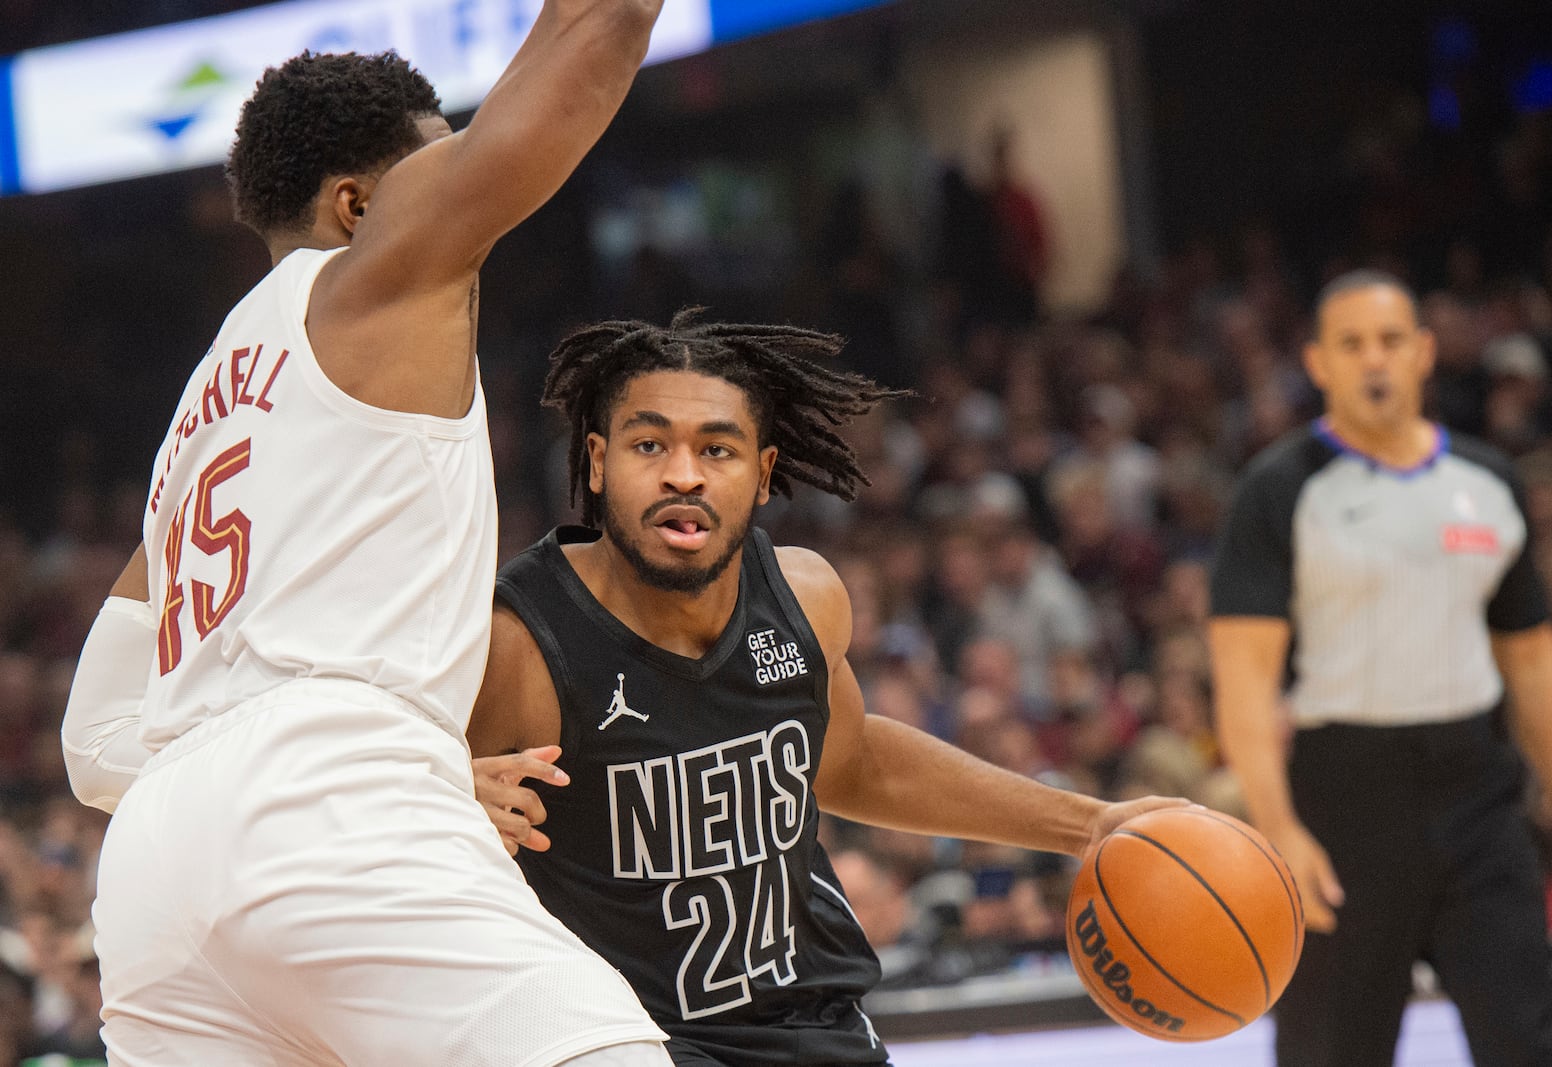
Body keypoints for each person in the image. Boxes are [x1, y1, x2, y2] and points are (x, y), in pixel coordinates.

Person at [58, 6, 676, 1064]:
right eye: (442, 164)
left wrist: (375, 766)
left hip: (156, 879)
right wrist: (346, 762)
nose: (466, 190)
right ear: (357, 204)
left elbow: (92, 743)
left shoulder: (200, 420)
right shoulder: (375, 277)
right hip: (328, 799)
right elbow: (601, 27)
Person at [466, 311, 1187, 1065]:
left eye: (718, 448)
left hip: (811, 1021)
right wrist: (448, 796)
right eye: (650, 445)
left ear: (765, 472)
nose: (684, 473)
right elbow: (398, 826)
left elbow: (853, 764)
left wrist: (1092, 824)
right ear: (599, 460)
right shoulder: (518, 643)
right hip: (625, 1039)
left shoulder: (805, 599)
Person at [1207, 269, 1552, 1067]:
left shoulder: (1489, 484)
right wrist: (1278, 825)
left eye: (1390, 340)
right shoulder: (1278, 490)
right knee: (1329, 1054)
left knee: (1531, 1046)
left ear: (1424, 352)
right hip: (1341, 805)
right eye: (1351, 344)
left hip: (1481, 798)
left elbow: (1534, 666)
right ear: (1318, 363)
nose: (1373, 359)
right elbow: (1243, 677)